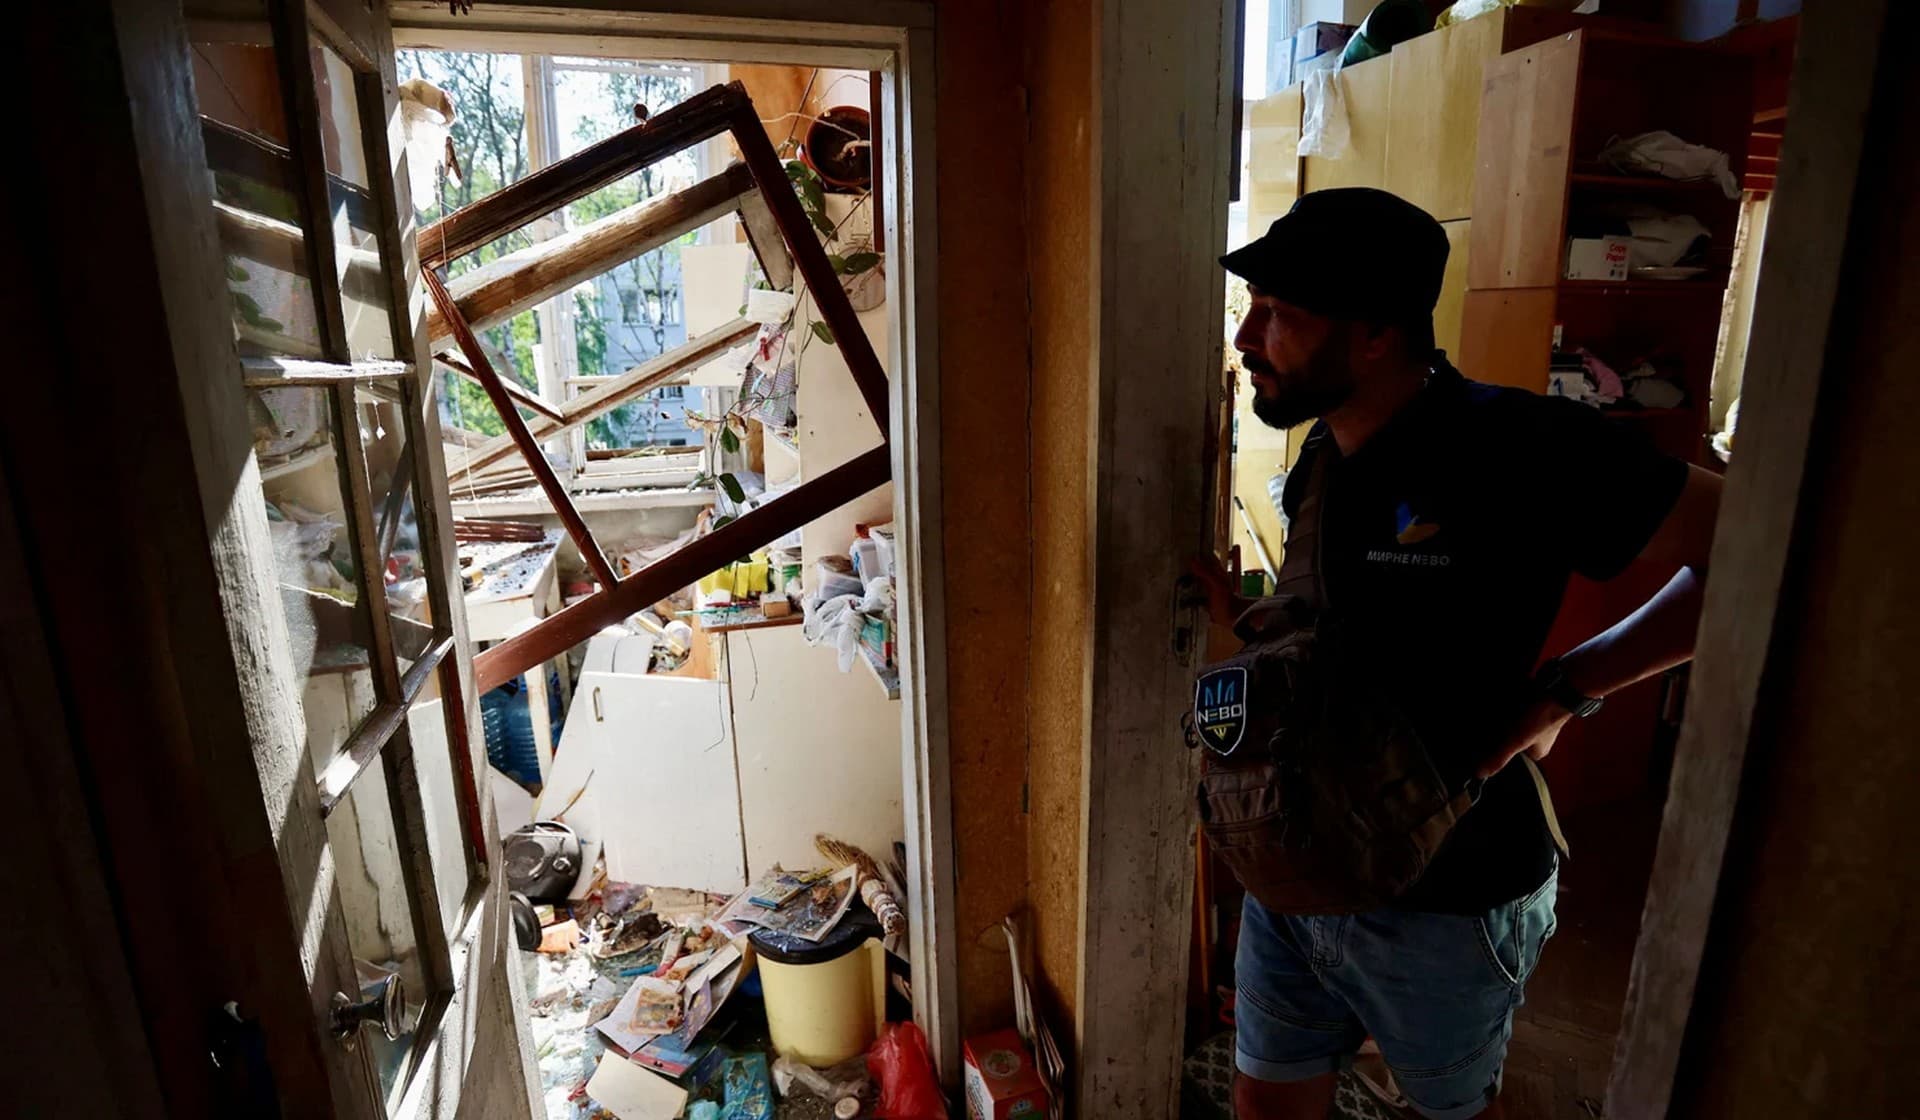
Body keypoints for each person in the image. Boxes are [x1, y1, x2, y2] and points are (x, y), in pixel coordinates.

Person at [1203, 188, 1721, 1120]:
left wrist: (1570, 687)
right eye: (1254, 307)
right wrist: (1249, 622)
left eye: (1278, 313)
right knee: (1265, 1103)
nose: (1246, 337)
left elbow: (1750, 542)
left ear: (1375, 335)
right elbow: (1355, 638)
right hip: (1296, 878)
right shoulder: (1324, 457)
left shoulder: (1522, 444)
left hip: (1449, 898)